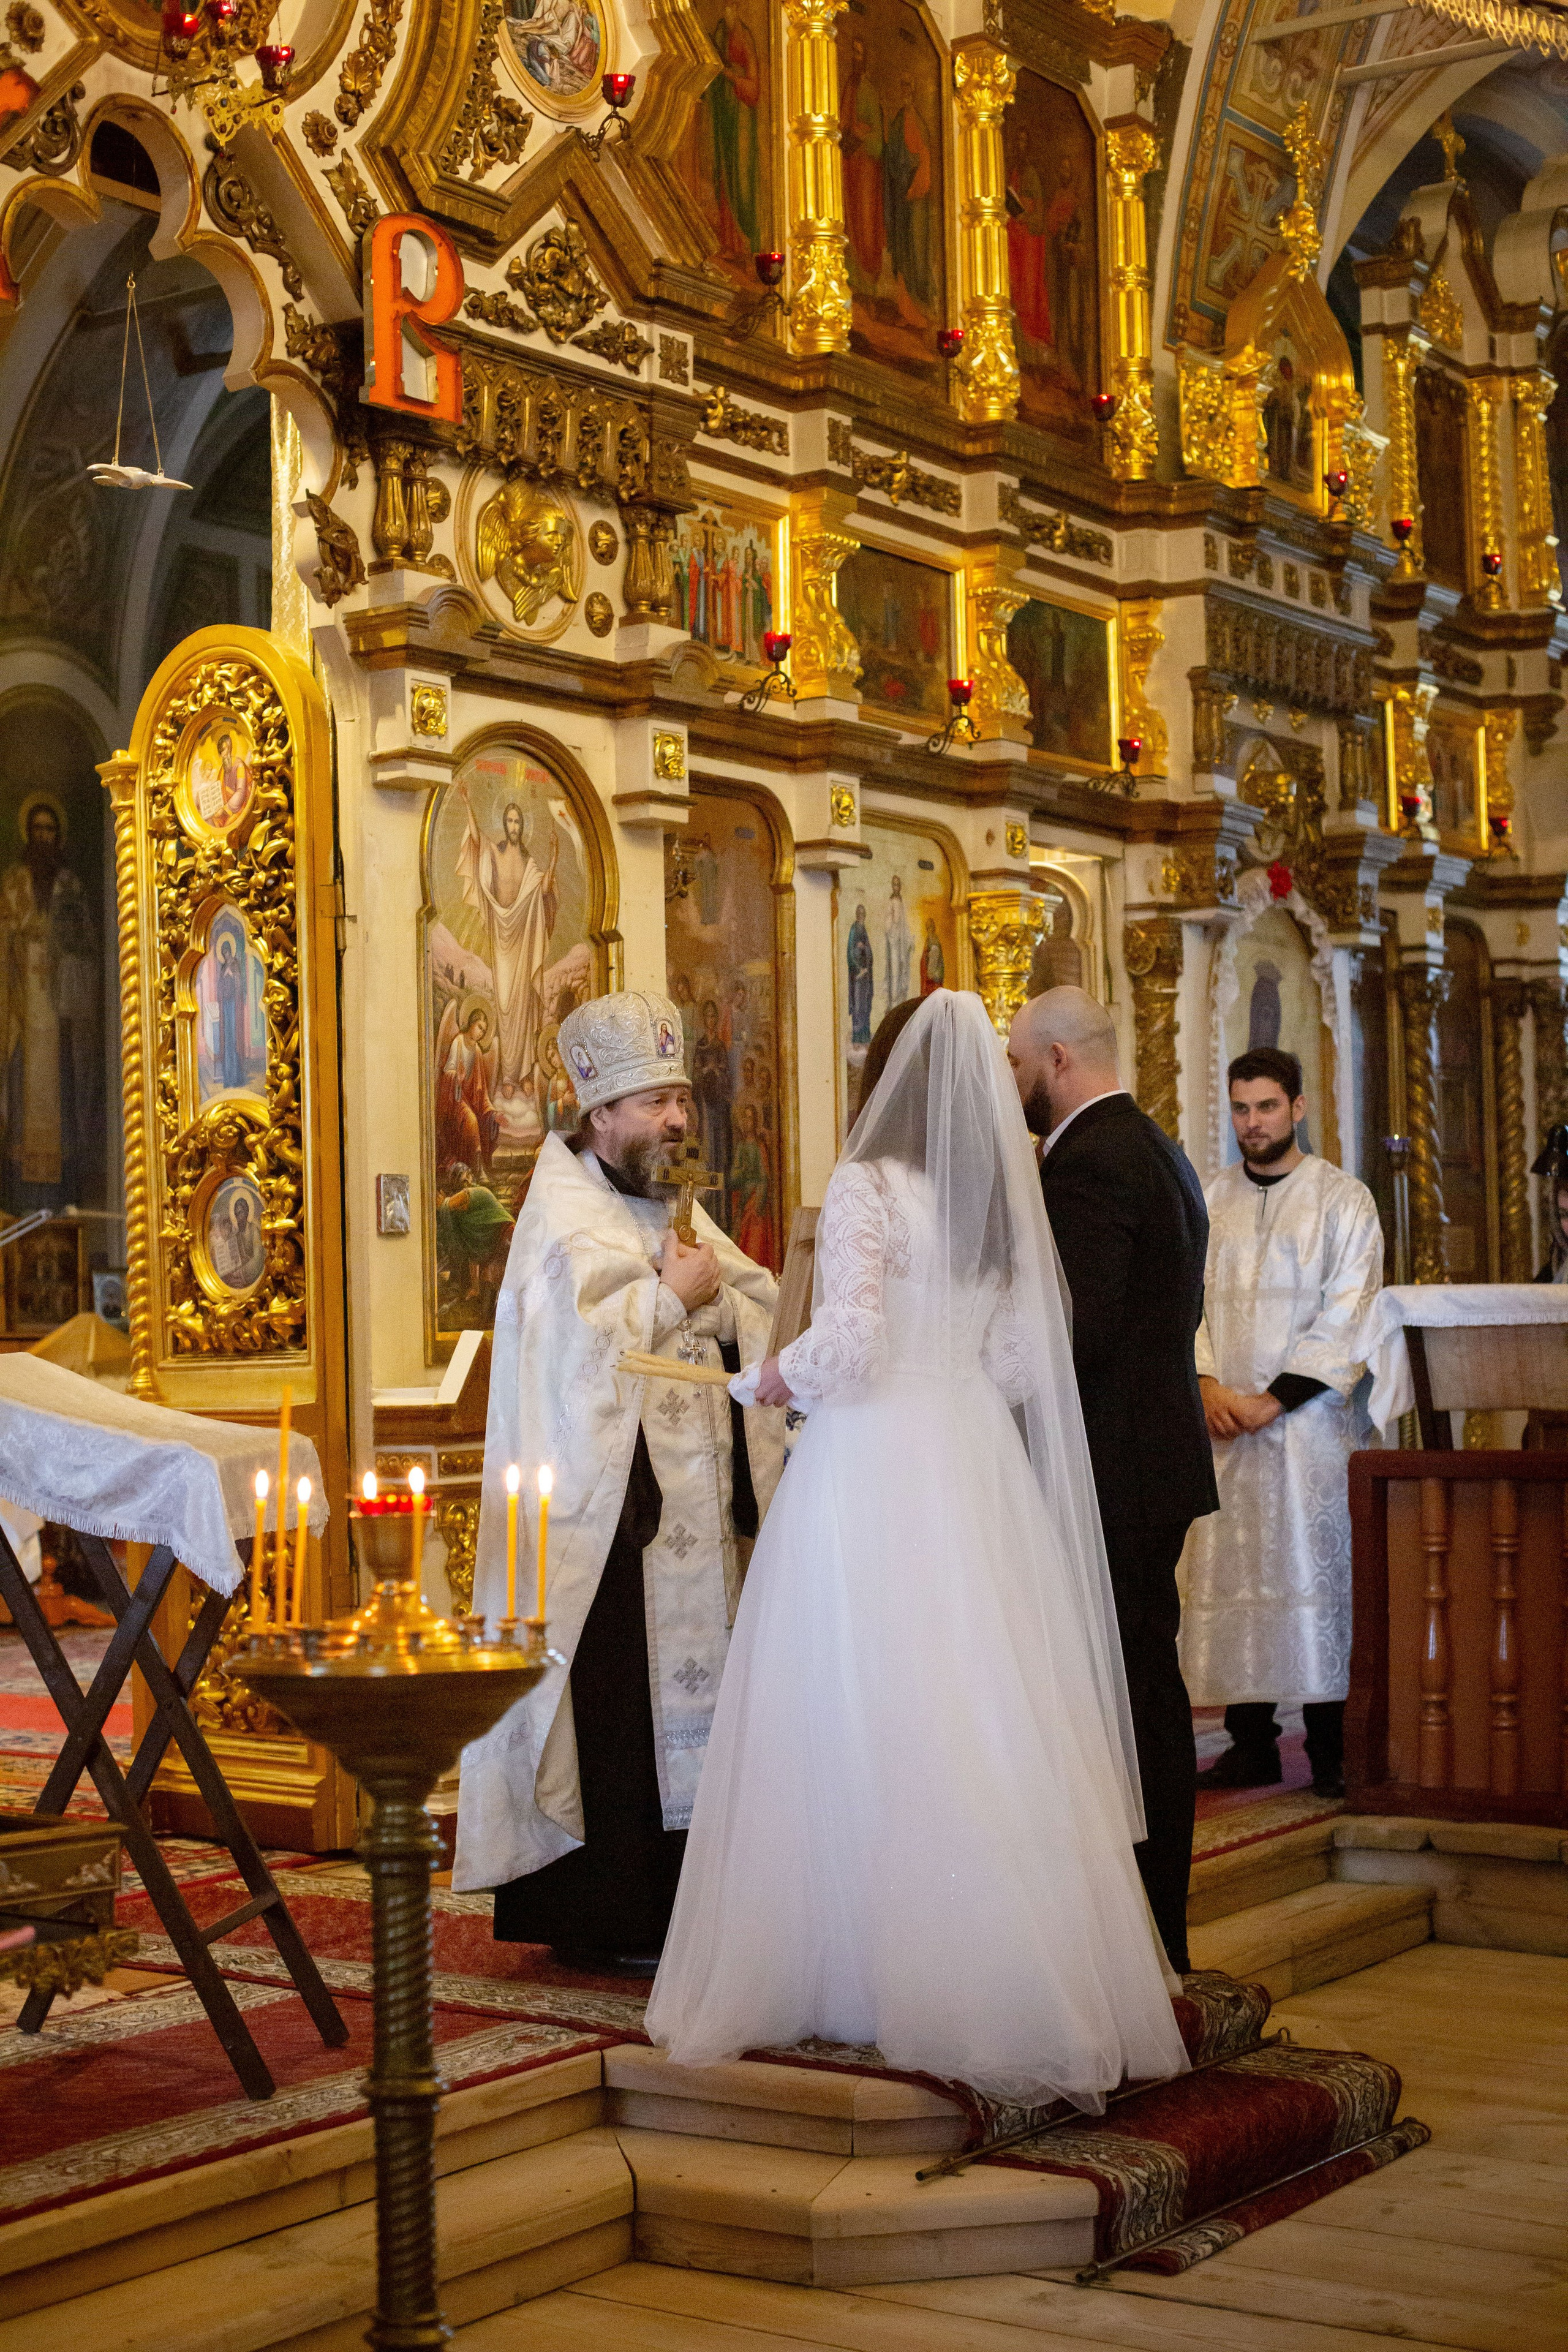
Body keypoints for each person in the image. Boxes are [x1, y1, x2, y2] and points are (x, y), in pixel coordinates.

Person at [648, 990, 1186, 2104]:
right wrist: (957, 1398)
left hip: (875, 1462)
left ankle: (850, 1968)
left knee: (857, 1701)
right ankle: (1009, 1970)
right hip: (972, 1458)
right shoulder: (1002, 1197)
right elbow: (1030, 1361)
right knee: (979, 1705)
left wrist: (764, 1378)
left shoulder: (867, 1186)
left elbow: (849, 1338)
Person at [453, 990, 783, 1970]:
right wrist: (668, 1300)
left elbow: (754, 1300)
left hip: (693, 1510)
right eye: (655, 1103)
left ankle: (692, 1907)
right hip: (613, 1527)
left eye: (682, 1098)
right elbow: (571, 1359)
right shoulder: (563, 1216)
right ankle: (608, 1912)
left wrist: (717, 1308)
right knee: (614, 1710)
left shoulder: (672, 1205)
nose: (678, 1119)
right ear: (601, 1115)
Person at [1006, 986, 1216, 1974]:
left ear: (1055, 1060)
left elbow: (1075, 1332)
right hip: (1157, 1457)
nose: (1013, 1086)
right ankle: (1150, 1925)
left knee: (1127, 1695)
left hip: (1112, 1466)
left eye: (1016, 1066)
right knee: (1143, 1686)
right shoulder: (1160, 1150)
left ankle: (1144, 1926)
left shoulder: (1085, 1163)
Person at [1182, 1048, 1384, 1801]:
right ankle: (1250, 1744)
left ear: (1296, 1108)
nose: (1252, 1123)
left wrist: (1275, 1398)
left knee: (1316, 1582)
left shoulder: (1342, 1200)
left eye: (1266, 1107)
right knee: (1238, 1574)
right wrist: (1204, 1382)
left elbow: (1352, 1309)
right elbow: (1184, 1302)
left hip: (1310, 1431)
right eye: (1240, 1108)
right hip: (1227, 1425)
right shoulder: (1209, 1199)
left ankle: (1331, 1751)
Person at [457, 784, 558, 1102]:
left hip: (524, 940)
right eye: (510, 821)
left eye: (518, 822)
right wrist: (467, 801)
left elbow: (544, 891)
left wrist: (554, 858)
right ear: (504, 824)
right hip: (502, 939)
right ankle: (507, 1075)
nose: (514, 827)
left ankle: (525, 1074)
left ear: (523, 826)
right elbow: (475, 840)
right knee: (504, 1004)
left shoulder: (530, 862)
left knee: (524, 1004)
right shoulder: (495, 852)